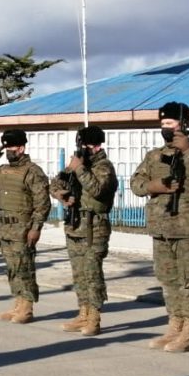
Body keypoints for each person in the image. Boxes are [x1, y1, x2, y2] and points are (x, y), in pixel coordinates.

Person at [130, 102, 189, 353]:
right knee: (168, 279)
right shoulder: (154, 155)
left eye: (170, 124)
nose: (165, 128)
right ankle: (174, 325)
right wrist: (156, 186)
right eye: (162, 124)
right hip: (162, 228)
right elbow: (136, 183)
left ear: (183, 125)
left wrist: (188, 152)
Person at [49, 126, 118, 336]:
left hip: (94, 228)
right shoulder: (77, 165)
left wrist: (79, 168)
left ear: (96, 146)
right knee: (79, 274)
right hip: (74, 226)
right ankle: (83, 312)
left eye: (85, 145)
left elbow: (97, 189)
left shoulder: (104, 167)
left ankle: (94, 317)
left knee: (92, 273)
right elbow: (54, 184)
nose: (82, 149)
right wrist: (61, 194)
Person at [0, 129, 51, 324]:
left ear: (21, 148)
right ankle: (17, 304)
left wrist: (36, 228)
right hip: (4, 229)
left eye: (11, 146)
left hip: (23, 229)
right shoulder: (3, 170)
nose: (8, 150)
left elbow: (42, 203)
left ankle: (27, 308)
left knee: (24, 267)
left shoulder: (32, 171)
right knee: (12, 268)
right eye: (6, 146)